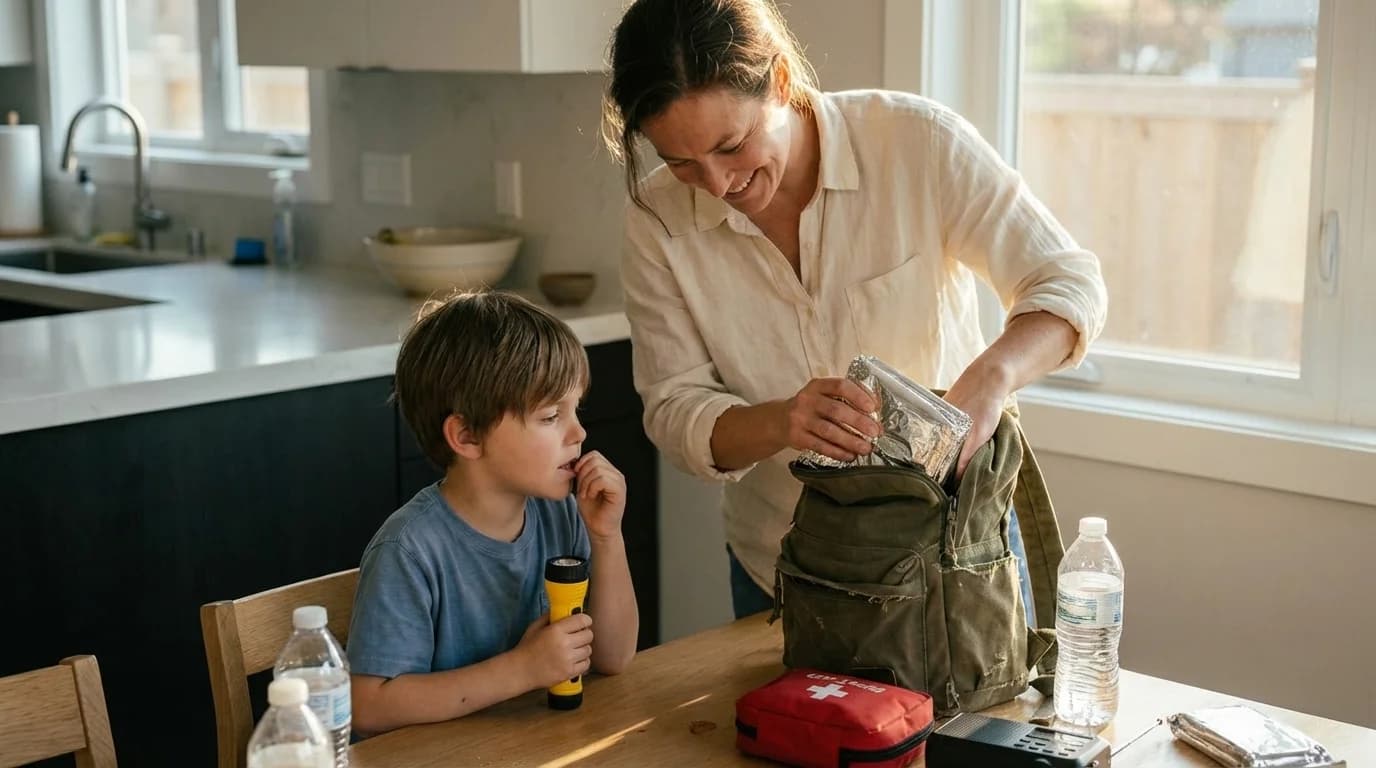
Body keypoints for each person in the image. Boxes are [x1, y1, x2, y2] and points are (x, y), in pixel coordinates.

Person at [603, 0, 1108, 619]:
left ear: (781, 82)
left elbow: (1067, 282)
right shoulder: (655, 222)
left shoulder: (917, 143)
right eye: (680, 161)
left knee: (992, 722)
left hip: (956, 559)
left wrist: (990, 379)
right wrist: (783, 421)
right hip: (786, 574)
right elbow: (673, 406)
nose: (715, 184)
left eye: (731, 145)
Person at [347, 290, 639, 734]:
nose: (579, 432)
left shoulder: (562, 514)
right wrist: (522, 671)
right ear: (466, 436)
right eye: (549, 417)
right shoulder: (408, 551)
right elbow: (367, 705)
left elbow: (613, 659)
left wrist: (605, 537)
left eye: (576, 409)